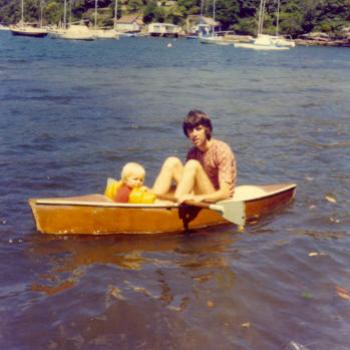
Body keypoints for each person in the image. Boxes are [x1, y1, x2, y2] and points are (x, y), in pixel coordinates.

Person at [152, 110, 236, 204]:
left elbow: (225, 193)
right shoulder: (192, 152)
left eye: (198, 129)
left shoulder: (221, 150)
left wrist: (199, 198)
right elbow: (187, 183)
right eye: (190, 130)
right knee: (172, 161)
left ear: (206, 129)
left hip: (216, 198)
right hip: (198, 193)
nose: (194, 134)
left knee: (192, 164)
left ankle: (175, 206)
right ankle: (153, 199)